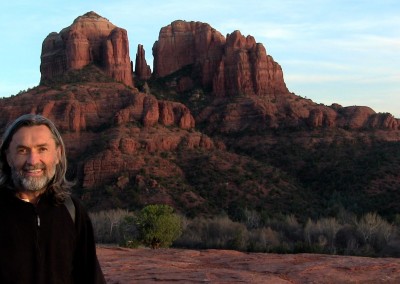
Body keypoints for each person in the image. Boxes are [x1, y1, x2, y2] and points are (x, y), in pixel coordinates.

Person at [0, 114, 106, 284]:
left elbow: (90, 276)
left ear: (58, 154)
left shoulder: (72, 210)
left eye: (42, 149)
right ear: (8, 156)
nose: (32, 161)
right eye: (22, 150)